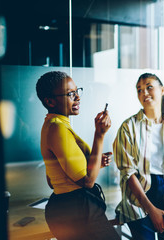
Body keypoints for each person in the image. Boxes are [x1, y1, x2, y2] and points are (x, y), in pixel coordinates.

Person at [36, 71, 119, 240]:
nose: (77, 98)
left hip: (67, 209)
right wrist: (99, 135)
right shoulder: (57, 128)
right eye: (70, 94)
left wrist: (92, 163)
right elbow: (88, 182)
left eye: (77, 92)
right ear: (50, 101)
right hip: (78, 211)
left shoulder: (52, 125)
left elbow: (52, 181)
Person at [113, 73, 164, 240]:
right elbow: (127, 173)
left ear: (162, 90)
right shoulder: (128, 127)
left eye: (149, 87)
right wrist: (151, 209)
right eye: (139, 90)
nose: (144, 92)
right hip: (139, 199)